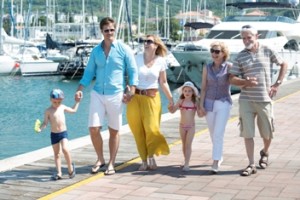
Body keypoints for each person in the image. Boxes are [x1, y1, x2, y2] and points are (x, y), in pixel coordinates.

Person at [75, 17, 138, 175]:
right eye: (106, 30)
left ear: (114, 30)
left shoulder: (124, 49)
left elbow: (132, 71)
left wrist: (132, 89)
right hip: (97, 93)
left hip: (116, 94)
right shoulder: (96, 51)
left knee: (114, 131)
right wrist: (80, 88)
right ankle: (100, 158)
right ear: (101, 32)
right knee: (93, 128)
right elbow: (89, 72)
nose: (109, 33)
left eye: (111, 30)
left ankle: (111, 163)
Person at [229, 25, 287, 176]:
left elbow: (283, 64)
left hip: (264, 99)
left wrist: (277, 84)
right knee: (248, 133)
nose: (246, 40)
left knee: (268, 133)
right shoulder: (240, 56)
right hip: (246, 100)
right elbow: (231, 78)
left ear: (257, 36)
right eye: (243, 38)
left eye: (249, 37)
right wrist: (245, 82)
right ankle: (251, 164)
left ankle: (265, 152)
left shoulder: (267, 50)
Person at [124, 35, 174, 171]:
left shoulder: (161, 61)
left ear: (156, 45)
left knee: (152, 129)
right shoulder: (136, 59)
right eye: (144, 41)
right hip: (135, 99)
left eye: (149, 41)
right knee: (138, 131)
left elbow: (163, 82)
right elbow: (129, 78)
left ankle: (151, 155)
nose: (146, 43)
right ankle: (144, 160)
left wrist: (170, 99)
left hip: (152, 98)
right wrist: (127, 92)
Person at [198, 41, 232, 174]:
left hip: (224, 102)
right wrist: (201, 105)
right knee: (212, 132)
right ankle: (219, 154)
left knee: (218, 133)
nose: (214, 54)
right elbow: (204, 86)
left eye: (217, 51)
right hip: (209, 102)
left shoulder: (229, 67)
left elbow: (236, 80)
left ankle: (216, 161)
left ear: (224, 53)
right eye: (212, 51)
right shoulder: (207, 67)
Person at [37, 89, 80, 180]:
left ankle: (70, 168)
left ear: (62, 101)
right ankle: (59, 172)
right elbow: (45, 123)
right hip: (54, 134)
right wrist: (40, 128)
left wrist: (77, 102)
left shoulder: (62, 107)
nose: (57, 104)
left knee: (65, 149)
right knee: (57, 154)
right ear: (50, 100)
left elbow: (73, 110)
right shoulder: (48, 111)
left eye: (59, 102)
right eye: (55, 102)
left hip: (63, 133)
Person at [169, 81, 199, 171]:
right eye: (185, 91)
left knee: (188, 145)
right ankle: (185, 160)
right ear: (183, 91)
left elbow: (200, 114)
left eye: (189, 91)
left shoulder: (195, 102)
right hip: (182, 126)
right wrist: (170, 107)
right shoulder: (181, 101)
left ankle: (187, 164)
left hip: (191, 127)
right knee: (184, 144)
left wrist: (202, 108)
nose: (187, 93)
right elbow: (173, 111)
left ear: (193, 92)